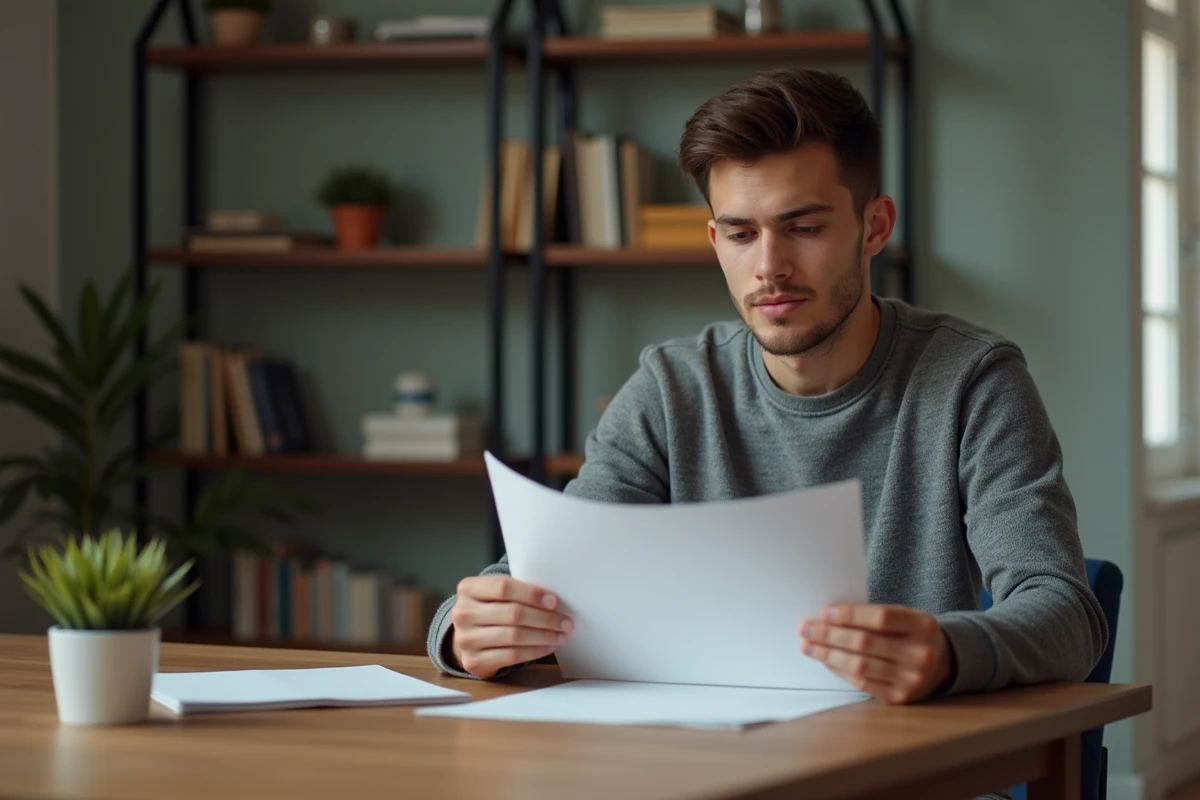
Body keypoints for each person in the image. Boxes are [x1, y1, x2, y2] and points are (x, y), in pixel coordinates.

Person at [426, 67, 1108, 706]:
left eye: (803, 228)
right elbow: (541, 579)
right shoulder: (670, 388)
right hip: (702, 757)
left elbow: (1067, 614)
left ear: (874, 226)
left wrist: (949, 653)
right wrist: (466, 632)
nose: (769, 266)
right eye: (741, 234)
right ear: (714, 239)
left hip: (902, 756)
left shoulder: (974, 381)